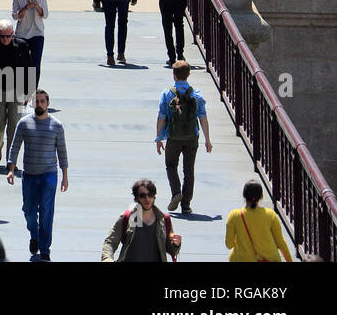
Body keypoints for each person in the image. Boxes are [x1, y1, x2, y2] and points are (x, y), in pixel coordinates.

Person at [8, 89, 69, 261]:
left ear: (48, 104)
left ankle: (45, 250)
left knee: (46, 212)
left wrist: (65, 176)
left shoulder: (56, 125)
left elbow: (62, 152)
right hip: (29, 175)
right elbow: (15, 147)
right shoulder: (24, 123)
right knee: (28, 210)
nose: (40, 104)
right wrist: (11, 169)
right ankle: (34, 235)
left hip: (49, 175)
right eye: (37, 101)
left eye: (43, 101)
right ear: (32, 103)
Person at [155, 60, 212, 215]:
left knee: (171, 166)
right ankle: (186, 205)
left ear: (174, 75)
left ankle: (176, 193)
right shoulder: (196, 94)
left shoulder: (167, 93)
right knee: (189, 170)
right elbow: (203, 117)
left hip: (173, 137)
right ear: (188, 75)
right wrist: (207, 139)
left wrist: (158, 138)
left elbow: (161, 117)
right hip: (192, 137)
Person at [0, 20, 33, 166]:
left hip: (17, 91)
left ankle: (11, 159)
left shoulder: (22, 46)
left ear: (13, 34)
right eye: (2, 36)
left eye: (8, 36)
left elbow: (29, 70)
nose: (5, 39)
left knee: (15, 125)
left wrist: (28, 93)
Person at [101, 179, 182, 262]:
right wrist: (107, 259)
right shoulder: (128, 218)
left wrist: (176, 244)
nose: (147, 199)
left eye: (150, 195)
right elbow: (110, 242)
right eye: (142, 195)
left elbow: (171, 250)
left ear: (154, 196)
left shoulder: (164, 220)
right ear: (137, 198)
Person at [225, 181, 293, 262]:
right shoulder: (270, 215)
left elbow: (229, 245)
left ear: (244, 195)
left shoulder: (234, 216)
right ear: (261, 197)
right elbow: (280, 243)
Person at [10, 0, 47, 87]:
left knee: (35, 65)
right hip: (22, 34)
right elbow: (15, 16)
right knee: (21, 65)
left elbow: (45, 15)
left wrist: (37, 6)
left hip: (37, 33)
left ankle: (33, 91)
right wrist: (25, 7)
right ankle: (21, 89)